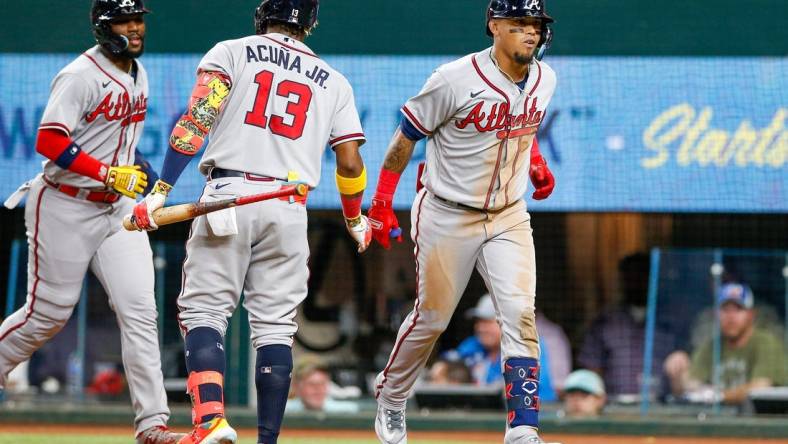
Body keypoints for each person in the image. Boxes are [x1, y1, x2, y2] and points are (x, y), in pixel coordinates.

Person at [127, 1, 370, 443]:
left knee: (204, 310)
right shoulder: (335, 81)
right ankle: (267, 439)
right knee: (276, 326)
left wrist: (160, 190)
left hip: (229, 195)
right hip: (290, 205)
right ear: (309, 24)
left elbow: (197, 121)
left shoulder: (233, 51)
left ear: (264, 15)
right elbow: (350, 161)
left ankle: (211, 420)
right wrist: (354, 218)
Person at [366, 0, 558, 442]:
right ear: (494, 26)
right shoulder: (453, 79)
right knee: (432, 319)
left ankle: (523, 428)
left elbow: (521, 130)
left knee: (519, 314)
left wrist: (536, 161)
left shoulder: (546, 78)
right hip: (447, 213)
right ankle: (392, 397)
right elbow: (404, 140)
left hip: (508, 215)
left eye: (536, 24)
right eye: (519, 23)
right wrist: (380, 204)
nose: (531, 32)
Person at [0, 1, 183, 443]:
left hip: (115, 208)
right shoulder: (80, 74)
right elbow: (48, 138)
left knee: (141, 312)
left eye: (138, 19)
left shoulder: (140, 73)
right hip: (64, 203)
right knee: (47, 315)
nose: (135, 27)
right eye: (125, 20)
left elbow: (121, 147)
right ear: (104, 26)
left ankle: (153, 426)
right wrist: (105, 172)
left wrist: (151, 182)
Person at [664, 283, 786, 405]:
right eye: (725, 309)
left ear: (751, 315)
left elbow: (760, 388)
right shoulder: (711, 346)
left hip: (758, 421)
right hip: (720, 420)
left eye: (738, 309)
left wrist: (717, 396)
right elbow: (690, 388)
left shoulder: (766, 343)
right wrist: (678, 372)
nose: (731, 317)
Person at [577, 252, 675, 400]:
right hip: (613, 407)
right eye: (631, 277)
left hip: (660, 407)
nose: (637, 282)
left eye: (642, 276)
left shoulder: (669, 322)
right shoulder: (606, 322)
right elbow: (591, 370)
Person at [285, 355, 359, 414]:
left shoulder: (346, 411)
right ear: (296, 386)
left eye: (322, 384)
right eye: (311, 384)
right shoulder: (283, 411)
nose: (318, 389)